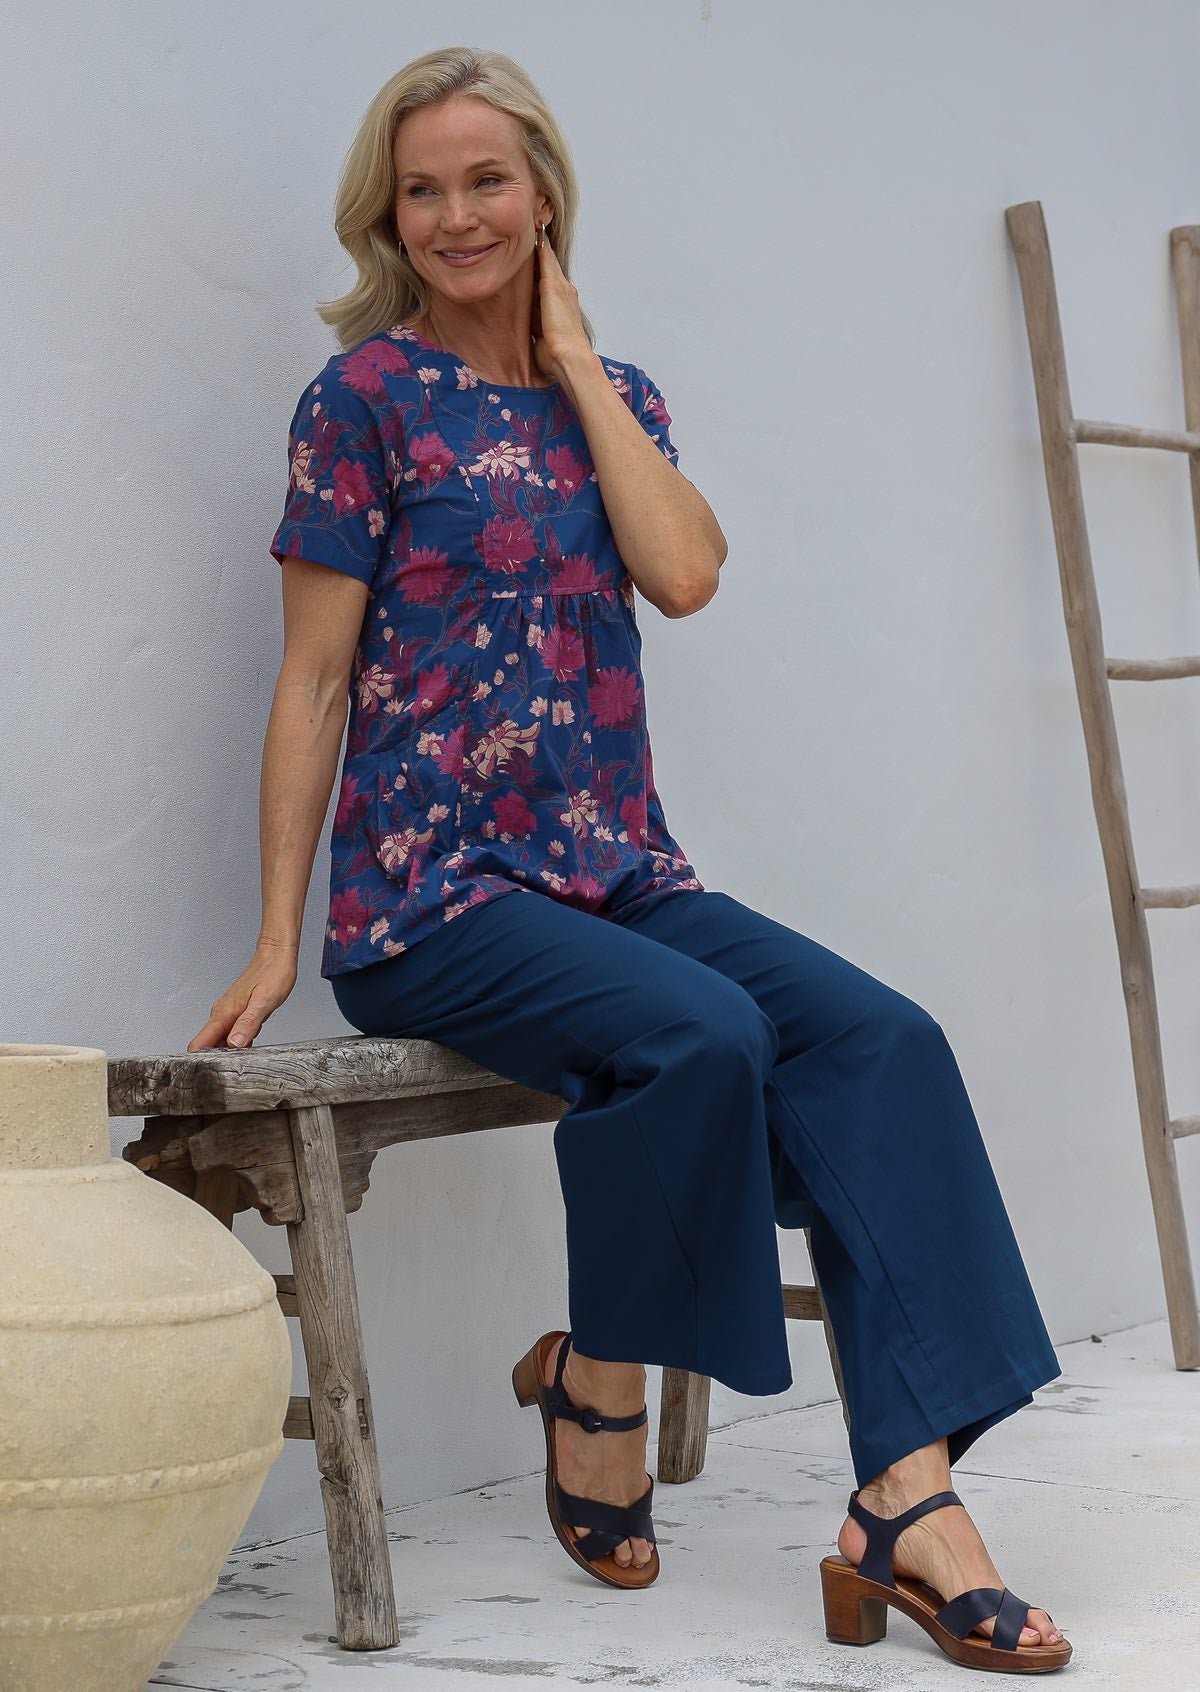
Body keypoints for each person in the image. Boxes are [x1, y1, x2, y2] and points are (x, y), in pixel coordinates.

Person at [189, 45, 1071, 1672]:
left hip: (620, 875)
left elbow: (685, 573)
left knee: (882, 1041)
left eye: (488, 181)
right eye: (423, 189)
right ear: (388, 214)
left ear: (544, 194)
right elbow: (311, 680)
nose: (457, 215)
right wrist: (275, 940)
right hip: (436, 896)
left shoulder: (624, 399)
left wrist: (579, 361)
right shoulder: (361, 401)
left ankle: (908, 1495)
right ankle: (600, 1382)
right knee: (705, 1034)